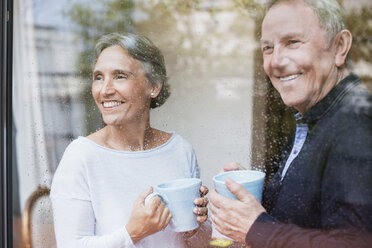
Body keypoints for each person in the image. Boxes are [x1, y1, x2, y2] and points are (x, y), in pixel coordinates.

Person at [209, 0, 372, 247]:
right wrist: (249, 196)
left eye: (293, 42)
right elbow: (307, 210)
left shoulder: (356, 124)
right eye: (267, 48)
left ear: (339, 47)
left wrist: (255, 228)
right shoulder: (315, 116)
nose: (275, 62)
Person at [50, 33, 211, 247]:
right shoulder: (81, 156)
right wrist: (133, 233)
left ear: (153, 86)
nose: (105, 90)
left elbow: (198, 243)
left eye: (119, 76)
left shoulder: (181, 150)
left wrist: (195, 229)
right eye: (98, 77)